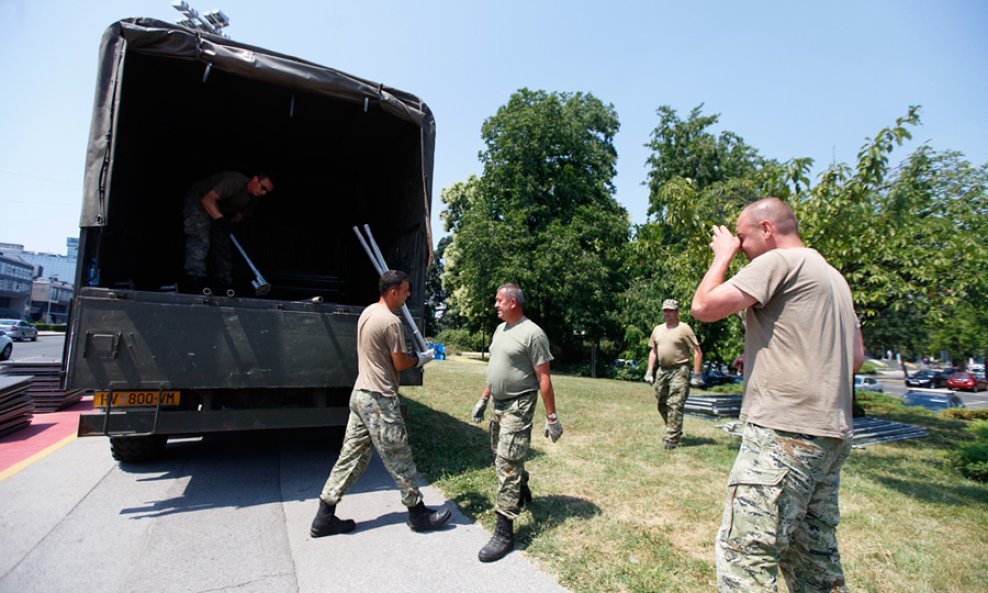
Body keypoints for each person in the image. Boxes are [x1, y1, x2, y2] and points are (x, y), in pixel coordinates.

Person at [691, 197, 864, 592]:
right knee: (813, 562)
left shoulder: (778, 262)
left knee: (745, 557)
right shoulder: (834, 277)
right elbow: (853, 358)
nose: (741, 246)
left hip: (784, 435)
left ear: (767, 229)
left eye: (742, 237)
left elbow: (704, 306)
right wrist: (770, 351)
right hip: (830, 435)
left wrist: (721, 257)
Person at [310, 270, 447, 537]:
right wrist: (421, 358)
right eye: (406, 291)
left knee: (350, 458)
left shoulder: (368, 312)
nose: (408, 296)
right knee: (400, 457)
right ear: (393, 291)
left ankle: (323, 517)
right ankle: (418, 515)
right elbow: (400, 363)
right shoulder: (391, 322)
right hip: (379, 399)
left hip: (360, 393)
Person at [470, 283, 562, 563]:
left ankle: (504, 533)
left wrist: (552, 418)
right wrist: (483, 399)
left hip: (519, 405)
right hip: (498, 404)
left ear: (513, 302)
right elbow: (495, 370)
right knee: (502, 455)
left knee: (506, 464)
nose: (495, 305)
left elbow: (544, 378)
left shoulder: (533, 334)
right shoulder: (500, 330)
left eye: (499, 300)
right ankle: (521, 487)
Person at [182, 171, 274, 293]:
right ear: (255, 179)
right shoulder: (234, 182)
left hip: (219, 212)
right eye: (263, 188)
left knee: (222, 245)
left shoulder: (255, 197)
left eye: (267, 191)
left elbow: (239, 216)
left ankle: (223, 282)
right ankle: (194, 280)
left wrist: (229, 223)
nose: (263, 193)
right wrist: (220, 219)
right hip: (199, 202)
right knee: (201, 240)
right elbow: (207, 199)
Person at [643, 298, 703, 450]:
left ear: (677, 312)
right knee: (661, 403)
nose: (667, 313)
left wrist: (696, 375)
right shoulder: (657, 329)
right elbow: (653, 351)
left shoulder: (684, 328)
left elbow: (697, 351)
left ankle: (672, 438)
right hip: (662, 371)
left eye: (670, 310)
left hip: (680, 370)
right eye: (665, 310)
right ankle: (673, 427)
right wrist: (649, 371)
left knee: (675, 403)